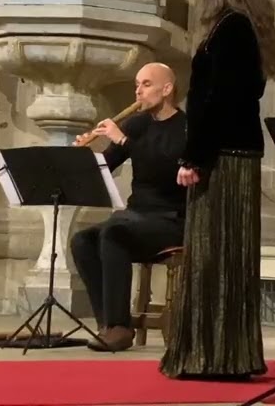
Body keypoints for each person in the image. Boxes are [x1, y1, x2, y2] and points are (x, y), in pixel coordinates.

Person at [159, 0, 275, 380]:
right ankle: (223, 352)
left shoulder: (231, 29)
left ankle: (215, 355)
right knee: (224, 255)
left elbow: (217, 100)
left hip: (223, 156)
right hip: (234, 152)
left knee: (215, 255)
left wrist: (195, 157)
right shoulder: (244, 28)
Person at [68, 62, 187, 353]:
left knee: (114, 232)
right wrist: (83, 156)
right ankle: (108, 324)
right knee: (83, 240)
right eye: (137, 84)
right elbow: (106, 166)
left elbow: (166, 168)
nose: (138, 90)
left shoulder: (185, 127)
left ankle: (121, 327)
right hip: (137, 218)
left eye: (146, 84)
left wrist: (122, 138)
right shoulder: (138, 124)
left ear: (167, 89)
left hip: (171, 220)